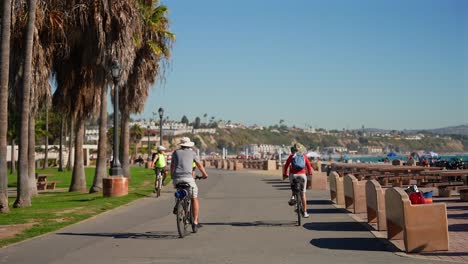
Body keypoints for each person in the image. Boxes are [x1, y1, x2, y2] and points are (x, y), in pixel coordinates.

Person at [171, 137, 208, 229]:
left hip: (177, 178)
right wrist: (204, 174)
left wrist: (172, 176)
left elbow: (172, 165)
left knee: (180, 191)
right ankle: (195, 222)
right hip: (188, 178)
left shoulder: (175, 152)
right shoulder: (192, 153)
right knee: (194, 198)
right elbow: (199, 165)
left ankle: (178, 204)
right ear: (189, 145)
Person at [283, 144, 313, 218]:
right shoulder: (304, 156)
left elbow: (286, 165)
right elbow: (309, 166)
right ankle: (305, 212)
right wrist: (310, 173)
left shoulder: (291, 156)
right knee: (303, 194)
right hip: (302, 175)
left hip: (294, 175)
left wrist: (285, 174)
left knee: (293, 185)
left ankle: (293, 196)